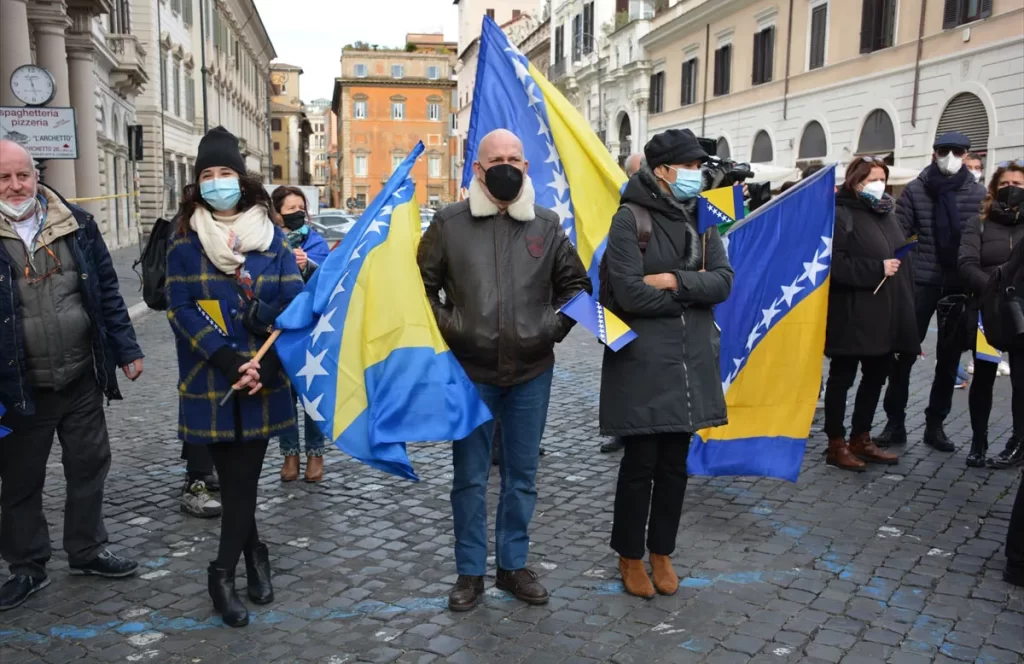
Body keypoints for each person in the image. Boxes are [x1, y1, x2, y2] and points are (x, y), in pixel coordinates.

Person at [418, 128, 591, 612]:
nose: (507, 166)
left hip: (532, 371)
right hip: (470, 374)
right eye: (497, 158)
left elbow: (576, 287)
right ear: (478, 168)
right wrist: (453, 327)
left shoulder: (546, 224)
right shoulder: (449, 223)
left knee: (523, 475)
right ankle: (470, 573)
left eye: (515, 158)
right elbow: (421, 287)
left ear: (526, 167)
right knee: (470, 478)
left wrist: (548, 329)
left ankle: (513, 566)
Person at [166, 127, 303, 627]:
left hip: (264, 379)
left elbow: (293, 305)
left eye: (225, 172)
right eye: (208, 174)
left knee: (244, 482)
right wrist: (228, 360)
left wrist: (259, 337)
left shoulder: (274, 241)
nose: (217, 181)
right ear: (197, 184)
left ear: (241, 180)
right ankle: (253, 553)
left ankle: (221, 571)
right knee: (233, 481)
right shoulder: (184, 244)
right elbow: (179, 309)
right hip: (212, 380)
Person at [0, 139, 144, 611]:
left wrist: (126, 348)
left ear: (36, 175)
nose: (16, 185)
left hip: (81, 375)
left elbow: (105, 289)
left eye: (23, 174)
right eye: (4, 177)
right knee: (21, 482)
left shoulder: (77, 224)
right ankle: (27, 567)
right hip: (20, 386)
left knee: (88, 466)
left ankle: (86, 549)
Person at [600, 129, 734, 598]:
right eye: (691, 166)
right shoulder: (628, 219)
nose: (699, 175)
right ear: (663, 170)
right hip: (642, 361)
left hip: (688, 360)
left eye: (700, 167)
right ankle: (629, 555)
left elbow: (722, 282)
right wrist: (687, 294)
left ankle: (662, 551)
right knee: (640, 463)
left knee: (675, 464)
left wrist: (673, 282)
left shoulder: (704, 218)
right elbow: (629, 291)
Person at [876, 132, 987, 451]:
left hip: (958, 284)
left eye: (957, 151)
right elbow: (900, 232)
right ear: (934, 153)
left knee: (948, 360)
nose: (950, 156)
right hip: (919, 283)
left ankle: (935, 425)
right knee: (903, 355)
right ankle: (894, 422)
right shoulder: (915, 189)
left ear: (966, 155)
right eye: (943, 150)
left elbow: (979, 238)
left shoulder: (977, 193)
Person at [823, 157, 917, 472]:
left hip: (884, 313)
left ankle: (860, 438)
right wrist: (875, 268)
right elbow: (832, 264)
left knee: (876, 376)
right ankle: (835, 442)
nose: (877, 184)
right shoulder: (840, 213)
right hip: (850, 313)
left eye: (881, 178)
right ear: (854, 181)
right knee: (842, 378)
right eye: (870, 178)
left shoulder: (887, 212)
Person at [958, 162, 1024, 468]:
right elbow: (967, 264)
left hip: (1021, 312)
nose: (1013, 188)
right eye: (1007, 183)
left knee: (1021, 383)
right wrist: (995, 290)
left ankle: (1018, 442)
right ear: (995, 188)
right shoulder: (978, 224)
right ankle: (978, 441)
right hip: (987, 310)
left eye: (1020, 184)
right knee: (983, 377)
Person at [270, 186, 329, 482]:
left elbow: (329, 281)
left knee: (311, 396)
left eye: (301, 207)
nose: (298, 213)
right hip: (279, 329)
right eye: (290, 208)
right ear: (276, 214)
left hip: (310, 331)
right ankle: (289, 455)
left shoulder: (316, 241)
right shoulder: (268, 243)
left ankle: (315, 455)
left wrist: (310, 266)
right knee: (284, 397)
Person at [600, 152, 647, 456]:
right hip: (616, 303)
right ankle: (620, 431)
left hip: (647, 308)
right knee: (619, 375)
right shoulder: (621, 209)